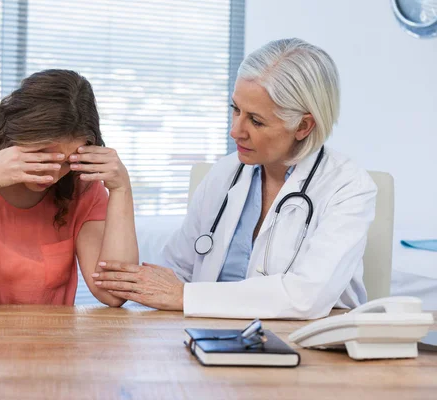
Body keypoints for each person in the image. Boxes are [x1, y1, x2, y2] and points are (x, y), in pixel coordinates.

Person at [91, 38, 377, 320]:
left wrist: (184, 296)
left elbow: (307, 297)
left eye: (255, 120)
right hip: (210, 339)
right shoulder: (225, 174)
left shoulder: (347, 187)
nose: (235, 131)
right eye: (235, 109)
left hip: (306, 349)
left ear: (303, 126)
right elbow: (176, 270)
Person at [0, 69, 137, 309]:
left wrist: (121, 190)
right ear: (15, 133)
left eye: (66, 162)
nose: (52, 173)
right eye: (40, 154)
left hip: (39, 338)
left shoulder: (81, 184)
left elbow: (114, 294)